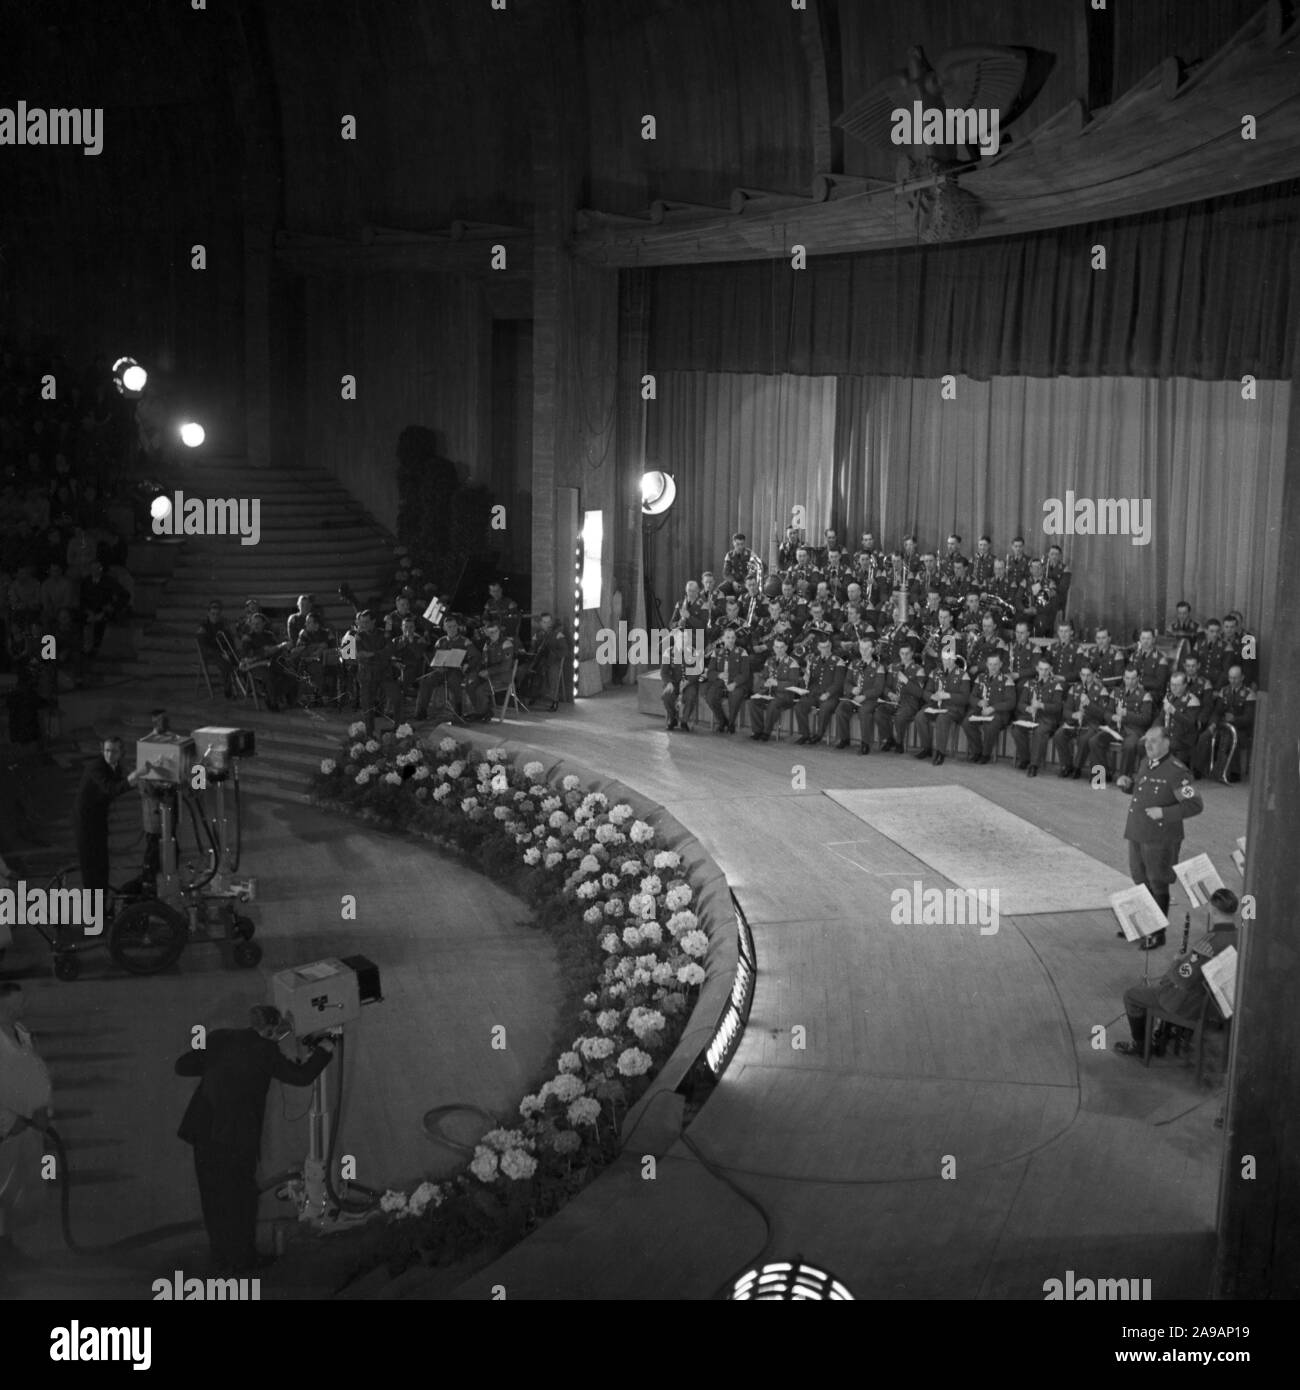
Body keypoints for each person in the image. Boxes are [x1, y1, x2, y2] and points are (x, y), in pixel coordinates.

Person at [175, 1005, 334, 1275]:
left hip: (204, 1130)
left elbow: (183, 1065)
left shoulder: (220, 1037)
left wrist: (220, 1070)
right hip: (236, 1138)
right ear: (270, 1030)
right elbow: (301, 1076)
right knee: (243, 1200)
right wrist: (325, 1050)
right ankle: (243, 1260)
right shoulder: (266, 1051)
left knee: (212, 1197)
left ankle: (221, 1257)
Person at [1114, 888, 1239, 1058]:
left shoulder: (1209, 942)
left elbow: (1182, 980)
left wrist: (1177, 960)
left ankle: (1141, 1045)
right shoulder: (1241, 937)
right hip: (1223, 1002)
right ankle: (1172, 1032)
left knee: (1132, 995)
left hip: (1196, 1004)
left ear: (1213, 910)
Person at [1120, 724, 1204, 950]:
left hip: (1161, 837)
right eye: (1146, 740)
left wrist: (1165, 813)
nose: (1148, 745)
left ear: (1167, 742)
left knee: (1157, 881)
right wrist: (1128, 786)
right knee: (1140, 878)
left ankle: (1157, 933)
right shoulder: (1145, 763)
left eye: (1154, 741)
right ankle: (1145, 924)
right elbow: (1142, 789)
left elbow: (1195, 805)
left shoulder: (1177, 772)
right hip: (1138, 831)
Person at [0, 982, 53, 1279]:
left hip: (24, 1128)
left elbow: (36, 1074)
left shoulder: (20, 1033)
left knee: (15, 1193)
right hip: (6, 1131)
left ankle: (8, 1249)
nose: (22, 1008)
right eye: (15, 1004)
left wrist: (43, 1110)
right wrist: (8, 1121)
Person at [74, 735, 142, 892]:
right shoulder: (96, 767)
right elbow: (111, 789)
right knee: (92, 869)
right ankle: (94, 912)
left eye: (114, 751)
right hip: (86, 823)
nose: (109, 755)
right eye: (107, 751)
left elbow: (120, 784)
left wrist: (136, 780)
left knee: (102, 865)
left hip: (98, 820)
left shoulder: (116, 766)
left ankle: (103, 907)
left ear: (121, 753)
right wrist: (134, 778)